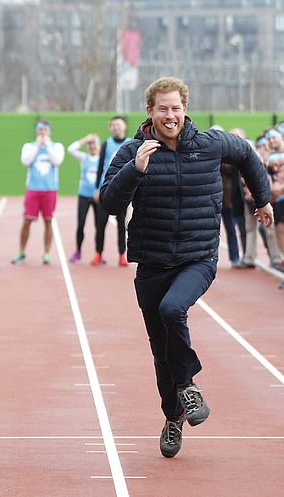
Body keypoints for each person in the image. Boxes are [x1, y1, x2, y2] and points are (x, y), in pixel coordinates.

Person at [100, 77, 273, 459]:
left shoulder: (210, 144)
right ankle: (173, 417)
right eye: (162, 108)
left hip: (198, 258)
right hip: (152, 262)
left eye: (175, 107)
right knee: (161, 353)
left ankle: (189, 386)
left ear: (184, 109)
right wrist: (135, 170)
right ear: (150, 111)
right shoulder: (133, 150)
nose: (170, 115)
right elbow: (109, 203)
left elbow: (245, 153)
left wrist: (263, 199)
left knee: (173, 309)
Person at [11, 119, 65, 265]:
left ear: (49, 131)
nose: (42, 132)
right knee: (27, 220)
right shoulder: (29, 146)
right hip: (33, 189)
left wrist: (46, 144)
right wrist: (37, 145)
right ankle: (21, 251)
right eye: (40, 129)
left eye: (45, 129)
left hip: (50, 190)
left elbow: (57, 161)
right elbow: (26, 161)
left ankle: (46, 252)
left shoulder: (56, 146)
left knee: (48, 221)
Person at [94, 116, 132, 267]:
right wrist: (97, 189)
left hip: (123, 189)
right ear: (110, 128)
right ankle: (98, 253)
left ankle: (122, 254)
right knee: (100, 223)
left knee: (122, 225)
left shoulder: (131, 144)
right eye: (114, 125)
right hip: (106, 189)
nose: (116, 127)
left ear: (124, 127)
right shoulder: (106, 144)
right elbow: (99, 168)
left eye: (119, 125)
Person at [66, 134, 101, 263]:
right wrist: (84, 139)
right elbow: (71, 149)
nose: (92, 147)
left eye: (94, 144)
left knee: (99, 226)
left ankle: (99, 253)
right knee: (80, 224)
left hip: (98, 196)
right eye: (90, 144)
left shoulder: (101, 159)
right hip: (84, 195)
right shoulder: (83, 158)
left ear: (98, 146)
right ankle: (78, 251)